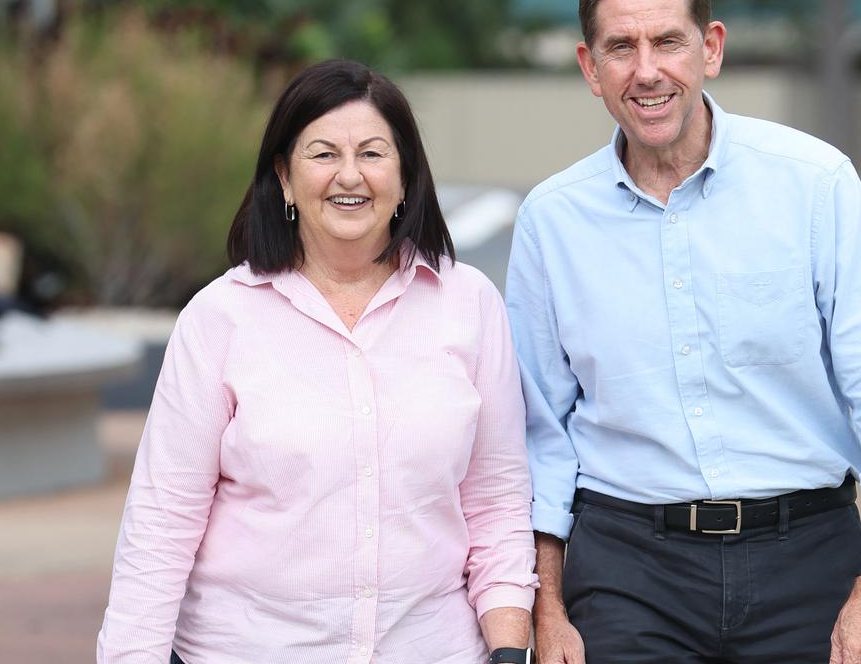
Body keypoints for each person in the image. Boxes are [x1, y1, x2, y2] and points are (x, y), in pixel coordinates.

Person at [504, 0, 861, 663]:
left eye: (668, 42)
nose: (647, 71)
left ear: (711, 48)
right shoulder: (552, 221)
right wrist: (546, 607)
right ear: (589, 68)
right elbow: (538, 436)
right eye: (621, 48)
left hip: (807, 556)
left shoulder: (815, 183)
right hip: (627, 570)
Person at [98, 60, 537, 664]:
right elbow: (161, 522)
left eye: (374, 153)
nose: (349, 175)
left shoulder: (470, 305)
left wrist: (510, 648)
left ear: (407, 175)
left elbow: (497, 502)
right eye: (323, 153)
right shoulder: (220, 317)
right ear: (283, 176)